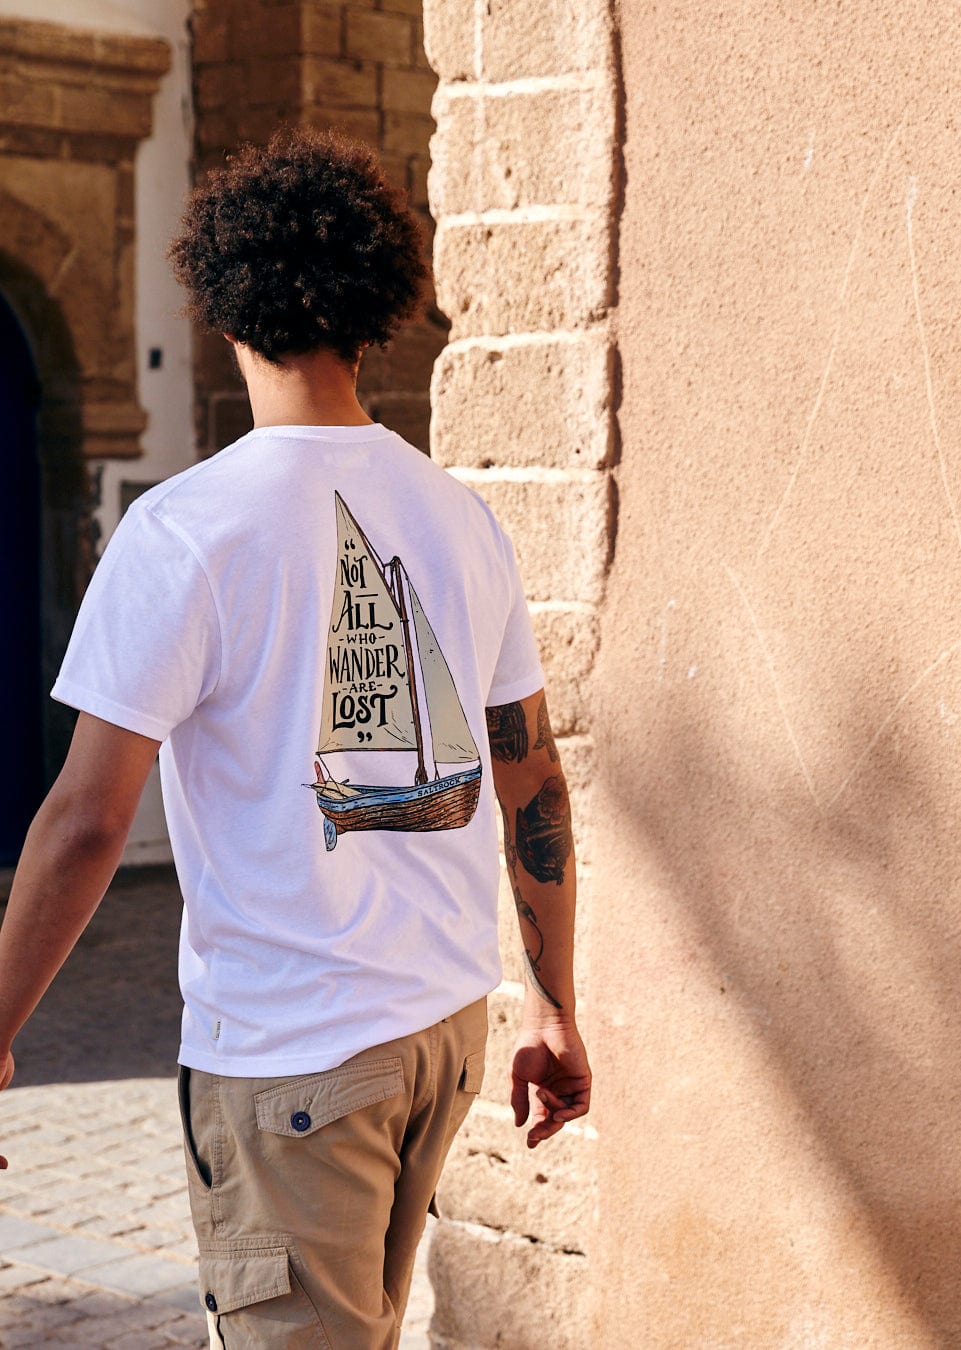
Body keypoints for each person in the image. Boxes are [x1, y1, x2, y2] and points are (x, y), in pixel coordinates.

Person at [0, 128, 591, 1348]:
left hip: (292, 1062)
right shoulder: (459, 518)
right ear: (375, 317)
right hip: (443, 1036)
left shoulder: (183, 532)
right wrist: (554, 1006)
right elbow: (531, 777)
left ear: (224, 309)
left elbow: (87, 818)